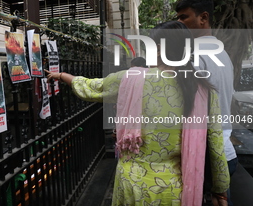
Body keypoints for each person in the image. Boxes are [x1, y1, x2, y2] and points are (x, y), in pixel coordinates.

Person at [45, 21, 229, 206]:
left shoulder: (130, 78)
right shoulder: (203, 90)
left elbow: (90, 87)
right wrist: (220, 190)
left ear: (157, 49)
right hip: (173, 190)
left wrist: (61, 76)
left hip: (131, 186)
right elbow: (215, 142)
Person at [176, 0, 237, 206]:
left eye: (184, 17)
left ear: (203, 18)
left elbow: (181, 103)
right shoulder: (223, 54)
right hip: (225, 151)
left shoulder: (193, 54)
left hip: (206, 155)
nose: (179, 23)